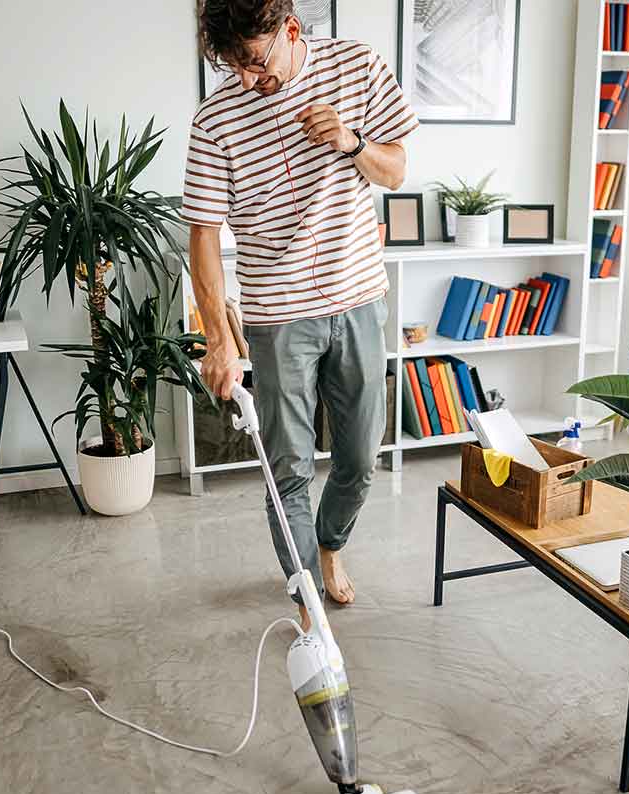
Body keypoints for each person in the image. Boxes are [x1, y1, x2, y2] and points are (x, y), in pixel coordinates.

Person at [184, 0, 418, 629]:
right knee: (286, 468)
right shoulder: (215, 119)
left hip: (359, 299)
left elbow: (395, 169)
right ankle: (306, 592)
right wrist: (217, 341)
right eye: (233, 66)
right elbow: (203, 234)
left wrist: (353, 140)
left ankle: (329, 546)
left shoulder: (358, 65)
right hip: (277, 315)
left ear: (291, 30)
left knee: (359, 460)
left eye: (256, 62)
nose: (247, 80)